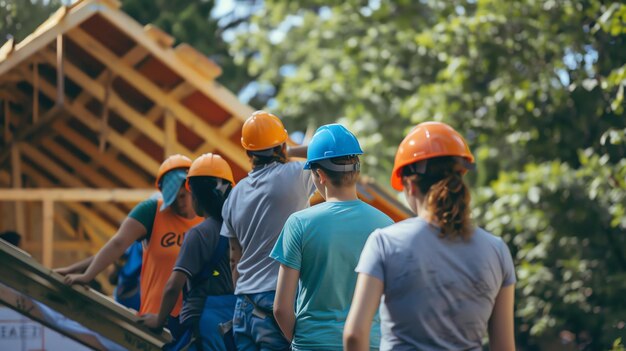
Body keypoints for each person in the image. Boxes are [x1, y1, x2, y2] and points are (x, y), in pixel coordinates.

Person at [343, 121, 516, 351]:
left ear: (409, 185)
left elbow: (355, 335)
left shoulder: (385, 242)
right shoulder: (497, 250)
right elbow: (504, 347)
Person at [271, 124, 393, 350]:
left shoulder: (299, 224)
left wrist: (305, 342)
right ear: (356, 171)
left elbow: (281, 308)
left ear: (319, 174)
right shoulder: (387, 226)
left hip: (313, 344)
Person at [57, 154, 203, 338]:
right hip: (155, 318)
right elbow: (116, 245)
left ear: (192, 188)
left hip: (195, 321)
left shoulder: (208, 216)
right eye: (172, 198)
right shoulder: (151, 211)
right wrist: (86, 275)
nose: (179, 202)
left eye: (183, 196)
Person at [221, 110, 314, 351]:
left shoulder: (235, 194)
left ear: (248, 152)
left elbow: (234, 258)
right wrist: (290, 151)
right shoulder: (295, 175)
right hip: (278, 300)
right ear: (281, 145)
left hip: (243, 305)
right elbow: (334, 153)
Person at [140, 153, 237, 351]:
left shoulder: (199, 234)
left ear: (196, 197)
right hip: (235, 319)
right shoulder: (240, 228)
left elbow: (173, 286)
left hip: (204, 322)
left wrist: (159, 320)